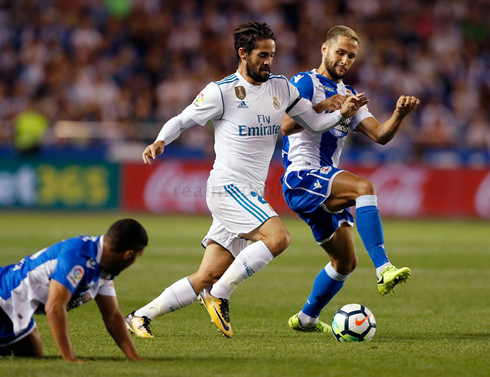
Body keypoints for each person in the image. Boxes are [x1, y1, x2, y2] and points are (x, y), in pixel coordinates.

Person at [125, 21, 368, 339]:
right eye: (262, 55)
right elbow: (183, 118)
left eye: (272, 54)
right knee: (278, 238)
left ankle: (140, 316)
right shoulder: (222, 91)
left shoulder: (282, 87)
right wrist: (160, 140)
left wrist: (342, 114)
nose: (269, 61)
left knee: (207, 274)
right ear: (243, 53)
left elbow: (314, 122)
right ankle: (220, 295)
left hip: (248, 194)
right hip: (227, 186)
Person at [281, 25, 420, 334]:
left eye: (351, 56)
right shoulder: (305, 82)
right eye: (340, 52)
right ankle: (384, 267)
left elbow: (381, 135)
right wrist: (323, 107)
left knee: (344, 262)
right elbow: (285, 125)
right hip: (302, 175)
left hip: (323, 184)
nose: (344, 60)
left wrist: (398, 114)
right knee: (364, 187)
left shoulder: (350, 97)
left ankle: (306, 318)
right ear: (324, 49)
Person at [0, 219, 148, 362]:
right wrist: (70, 358)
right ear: (128, 254)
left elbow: (112, 316)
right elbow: (54, 307)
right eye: (137, 256)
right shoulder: (78, 258)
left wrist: (133, 356)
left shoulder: (104, 266)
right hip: (4, 296)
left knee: (31, 352)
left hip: (16, 304)